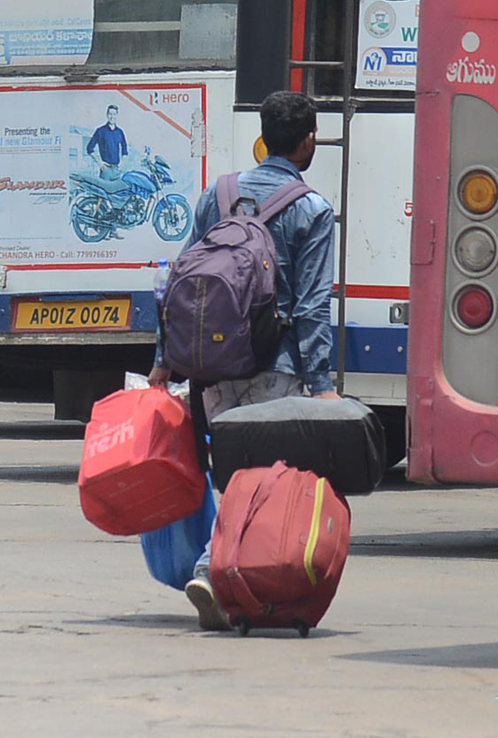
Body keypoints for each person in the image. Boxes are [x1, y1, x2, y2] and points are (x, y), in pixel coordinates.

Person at [148, 90, 339, 630]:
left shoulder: (219, 194)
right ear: (308, 142)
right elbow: (311, 303)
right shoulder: (312, 208)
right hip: (272, 363)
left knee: (229, 475)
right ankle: (217, 573)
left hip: (211, 364)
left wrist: (165, 359)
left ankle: (226, 576)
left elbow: (180, 281)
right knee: (258, 479)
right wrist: (320, 381)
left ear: (263, 135)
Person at [87, 104, 128, 181]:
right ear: (107, 115)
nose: (112, 117)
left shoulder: (120, 132)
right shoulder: (100, 131)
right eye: (110, 114)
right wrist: (100, 163)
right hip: (106, 171)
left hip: (117, 170)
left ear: (117, 115)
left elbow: (125, 150)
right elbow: (89, 148)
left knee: (117, 192)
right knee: (104, 193)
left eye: (114, 114)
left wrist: (122, 165)